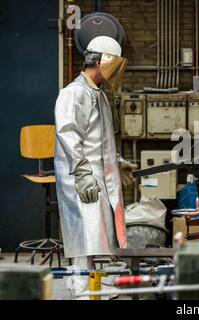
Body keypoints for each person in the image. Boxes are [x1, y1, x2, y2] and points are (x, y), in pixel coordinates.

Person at [54, 36, 137, 297]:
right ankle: (80, 288)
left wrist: (117, 163)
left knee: (97, 235)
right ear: (102, 61)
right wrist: (82, 173)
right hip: (83, 177)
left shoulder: (97, 94)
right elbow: (68, 134)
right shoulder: (74, 93)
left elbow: (99, 139)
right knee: (83, 235)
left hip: (96, 175)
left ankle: (92, 285)